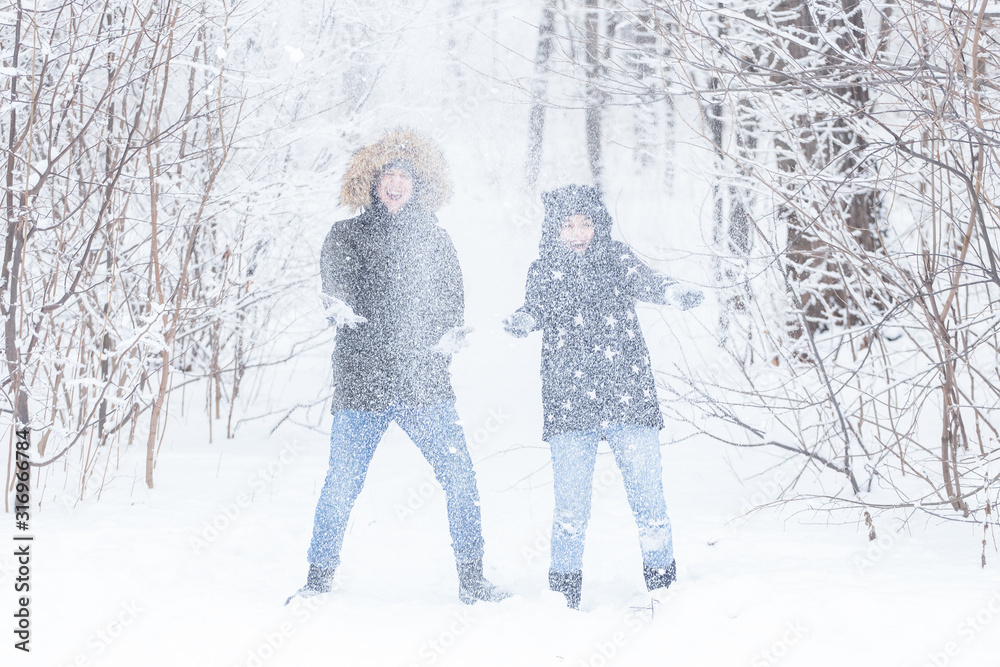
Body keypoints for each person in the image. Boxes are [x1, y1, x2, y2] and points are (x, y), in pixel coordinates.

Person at [288, 129, 506, 605]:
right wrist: (338, 306)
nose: (395, 183)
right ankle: (317, 581)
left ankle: (473, 580)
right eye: (388, 174)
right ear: (371, 182)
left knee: (461, 476)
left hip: (423, 380)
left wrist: (450, 333)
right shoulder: (344, 235)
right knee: (342, 483)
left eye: (404, 176)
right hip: (362, 379)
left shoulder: (434, 237)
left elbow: (451, 298)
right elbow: (335, 285)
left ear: (417, 185)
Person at [503, 184, 703, 609]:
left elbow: (649, 282)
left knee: (649, 501)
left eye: (586, 223)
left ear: (599, 224)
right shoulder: (543, 269)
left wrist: (673, 292)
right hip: (569, 400)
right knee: (570, 512)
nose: (578, 233)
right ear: (554, 229)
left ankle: (662, 589)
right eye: (568, 225)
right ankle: (562, 598)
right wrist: (522, 319)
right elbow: (536, 307)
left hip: (627, 394)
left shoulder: (617, 258)